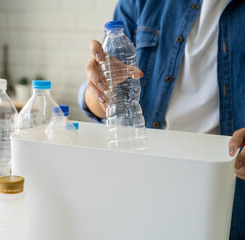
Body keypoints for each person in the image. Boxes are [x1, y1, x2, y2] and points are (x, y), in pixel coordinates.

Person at [78, 0, 245, 239]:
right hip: (144, 181)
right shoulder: (140, 3)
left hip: (222, 190)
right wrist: (100, 87)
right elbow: (101, 105)